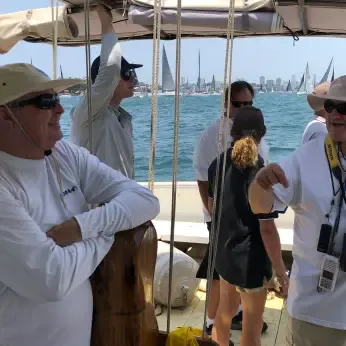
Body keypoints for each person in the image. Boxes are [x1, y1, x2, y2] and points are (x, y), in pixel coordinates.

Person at [0, 63, 160, 346]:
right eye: (46, 102)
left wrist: (84, 225)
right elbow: (51, 278)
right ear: (6, 116)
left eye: (58, 99)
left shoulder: (64, 154)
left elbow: (145, 200)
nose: (60, 109)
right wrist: (106, 232)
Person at [249, 76, 346, 345]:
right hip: (314, 314)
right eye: (330, 106)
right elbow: (261, 207)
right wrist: (261, 183)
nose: (336, 115)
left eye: (345, 108)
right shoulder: (304, 158)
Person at [193, 81, 269, 334]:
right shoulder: (211, 135)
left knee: (230, 272)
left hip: (247, 218)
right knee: (219, 272)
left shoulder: (254, 138)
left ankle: (232, 316)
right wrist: (212, 214)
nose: (244, 108)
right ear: (226, 104)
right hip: (220, 216)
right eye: (238, 104)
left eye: (248, 103)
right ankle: (211, 322)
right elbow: (203, 179)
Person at [208, 106, 286, 346]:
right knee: (252, 323)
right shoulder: (260, 172)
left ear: (232, 131)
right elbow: (267, 229)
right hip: (250, 263)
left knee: (224, 312)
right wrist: (281, 272)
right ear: (263, 132)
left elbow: (213, 207)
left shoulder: (216, 164)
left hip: (225, 255)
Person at [69, 5, 142, 179]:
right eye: (126, 74)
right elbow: (110, 69)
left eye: (132, 73)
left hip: (122, 201)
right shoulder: (87, 113)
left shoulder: (122, 118)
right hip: (97, 205)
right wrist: (105, 20)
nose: (132, 79)